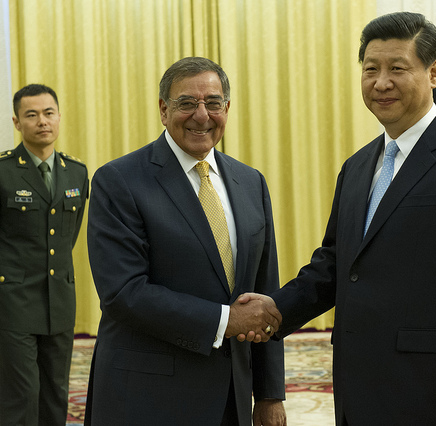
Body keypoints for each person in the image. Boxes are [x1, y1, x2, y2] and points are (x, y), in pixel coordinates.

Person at [241, 11, 436, 425]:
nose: (381, 82)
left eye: (397, 68)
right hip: (358, 387)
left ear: (433, 73)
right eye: (370, 69)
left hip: (435, 391)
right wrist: (275, 309)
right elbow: (336, 264)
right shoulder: (357, 168)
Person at [84, 57, 286, 426]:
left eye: (213, 102)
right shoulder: (119, 181)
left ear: (227, 108)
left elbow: (263, 293)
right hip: (149, 397)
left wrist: (270, 394)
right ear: (163, 110)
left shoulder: (251, 182)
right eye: (186, 103)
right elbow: (123, 293)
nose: (202, 115)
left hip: (232, 397)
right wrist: (226, 321)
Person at [0, 84, 89, 426]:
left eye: (49, 113)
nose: (42, 121)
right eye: (31, 115)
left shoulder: (76, 172)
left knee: (56, 391)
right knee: (21, 393)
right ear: (17, 122)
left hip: (60, 301)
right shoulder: (5, 171)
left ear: (59, 117)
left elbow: (70, 234)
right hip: (14, 301)